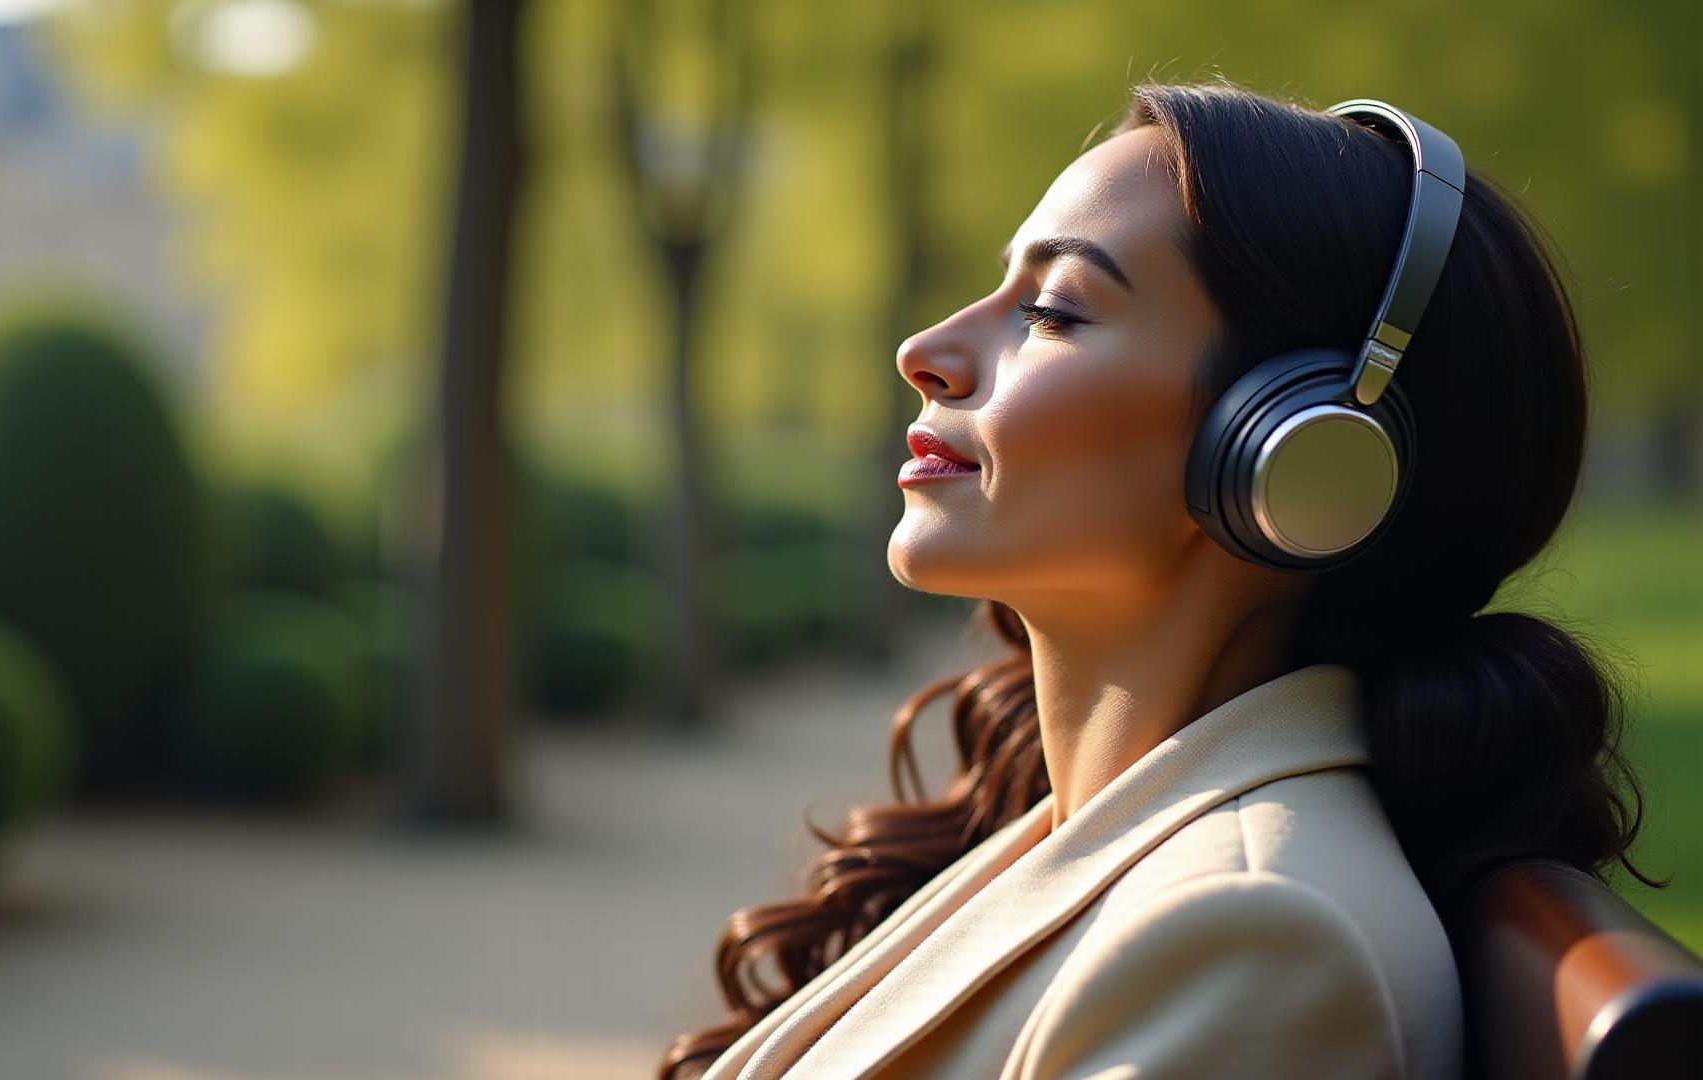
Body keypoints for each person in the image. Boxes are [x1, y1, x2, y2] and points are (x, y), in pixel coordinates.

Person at [656, 78, 1669, 1080]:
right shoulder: (1093, 834)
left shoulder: (1251, 939)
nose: (927, 352)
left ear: (1298, 450)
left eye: (1052, 311)